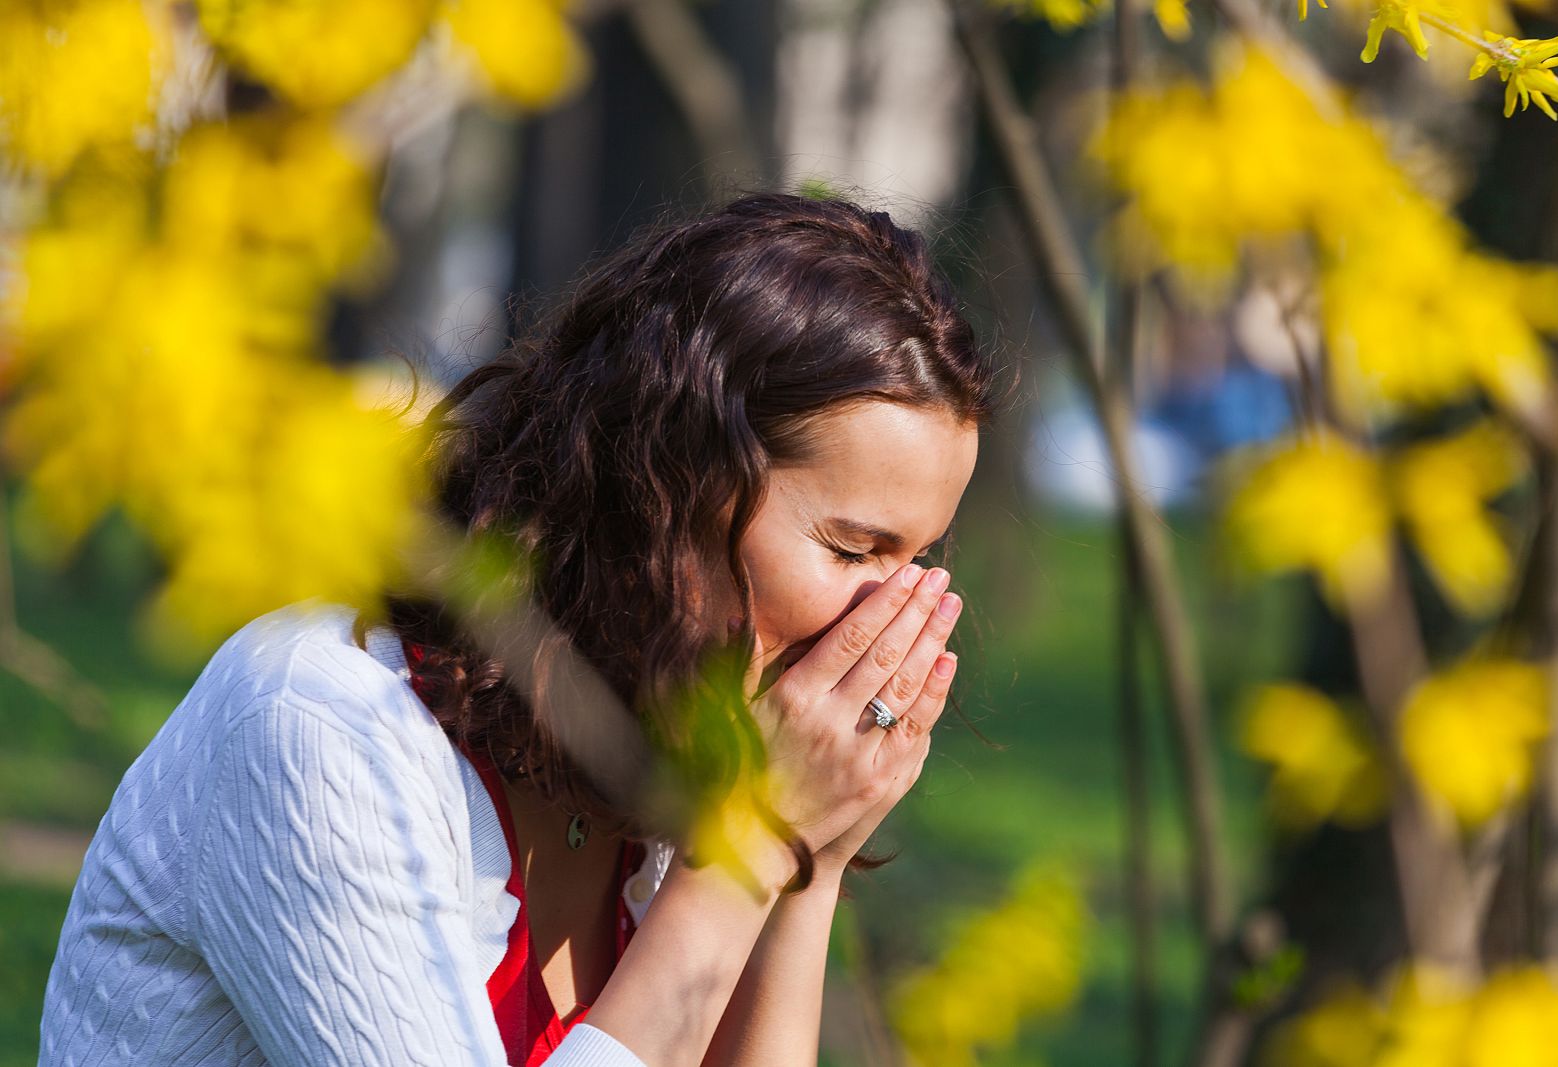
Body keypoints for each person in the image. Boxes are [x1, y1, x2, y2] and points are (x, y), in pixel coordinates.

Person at [38, 192, 998, 1066]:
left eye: (916, 561)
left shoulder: (667, 745)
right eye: (851, 549)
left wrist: (807, 866)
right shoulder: (320, 726)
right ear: (668, 491)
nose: (891, 613)